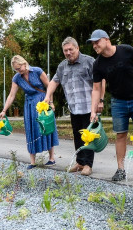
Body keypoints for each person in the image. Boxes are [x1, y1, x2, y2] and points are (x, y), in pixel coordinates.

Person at [88, 29, 133, 182]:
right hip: (118, 102)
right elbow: (96, 89)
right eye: (92, 43)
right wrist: (92, 111)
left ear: (107, 39)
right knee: (121, 135)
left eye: (97, 42)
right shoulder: (97, 64)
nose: (94, 45)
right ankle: (121, 169)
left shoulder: (126, 50)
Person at [43, 36, 103, 176]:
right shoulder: (62, 66)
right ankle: (80, 162)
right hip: (74, 108)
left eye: (71, 49)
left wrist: (100, 100)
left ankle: (88, 164)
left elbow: (100, 82)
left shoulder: (89, 61)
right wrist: (47, 96)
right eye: (65, 50)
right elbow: (54, 82)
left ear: (77, 48)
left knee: (88, 136)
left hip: (89, 107)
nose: (68, 52)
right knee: (77, 136)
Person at [0, 55, 59, 169]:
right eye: (16, 69)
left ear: (24, 63)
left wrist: (50, 102)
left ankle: (51, 158)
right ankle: (32, 161)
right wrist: (4, 110)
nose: (19, 70)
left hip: (42, 102)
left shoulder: (37, 71)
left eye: (19, 67)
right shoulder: (17, 78)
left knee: (47, 127)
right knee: (30, 129)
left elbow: (49, 86)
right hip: (30, 105)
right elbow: (11, 95)